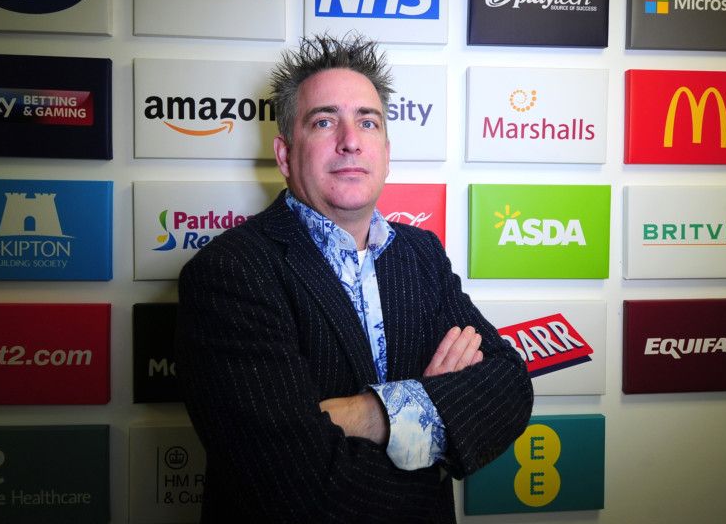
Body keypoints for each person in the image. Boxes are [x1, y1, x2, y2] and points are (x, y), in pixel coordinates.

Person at [174, 33, 533, 522]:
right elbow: (289, 483)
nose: (351, 140)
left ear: (386, 150)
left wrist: (372, 412)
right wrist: (433, 433)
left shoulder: (420, 254)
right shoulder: (229, 272)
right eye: (324, 121)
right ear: (285, 155)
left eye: (368, 121)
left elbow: (509, 386)